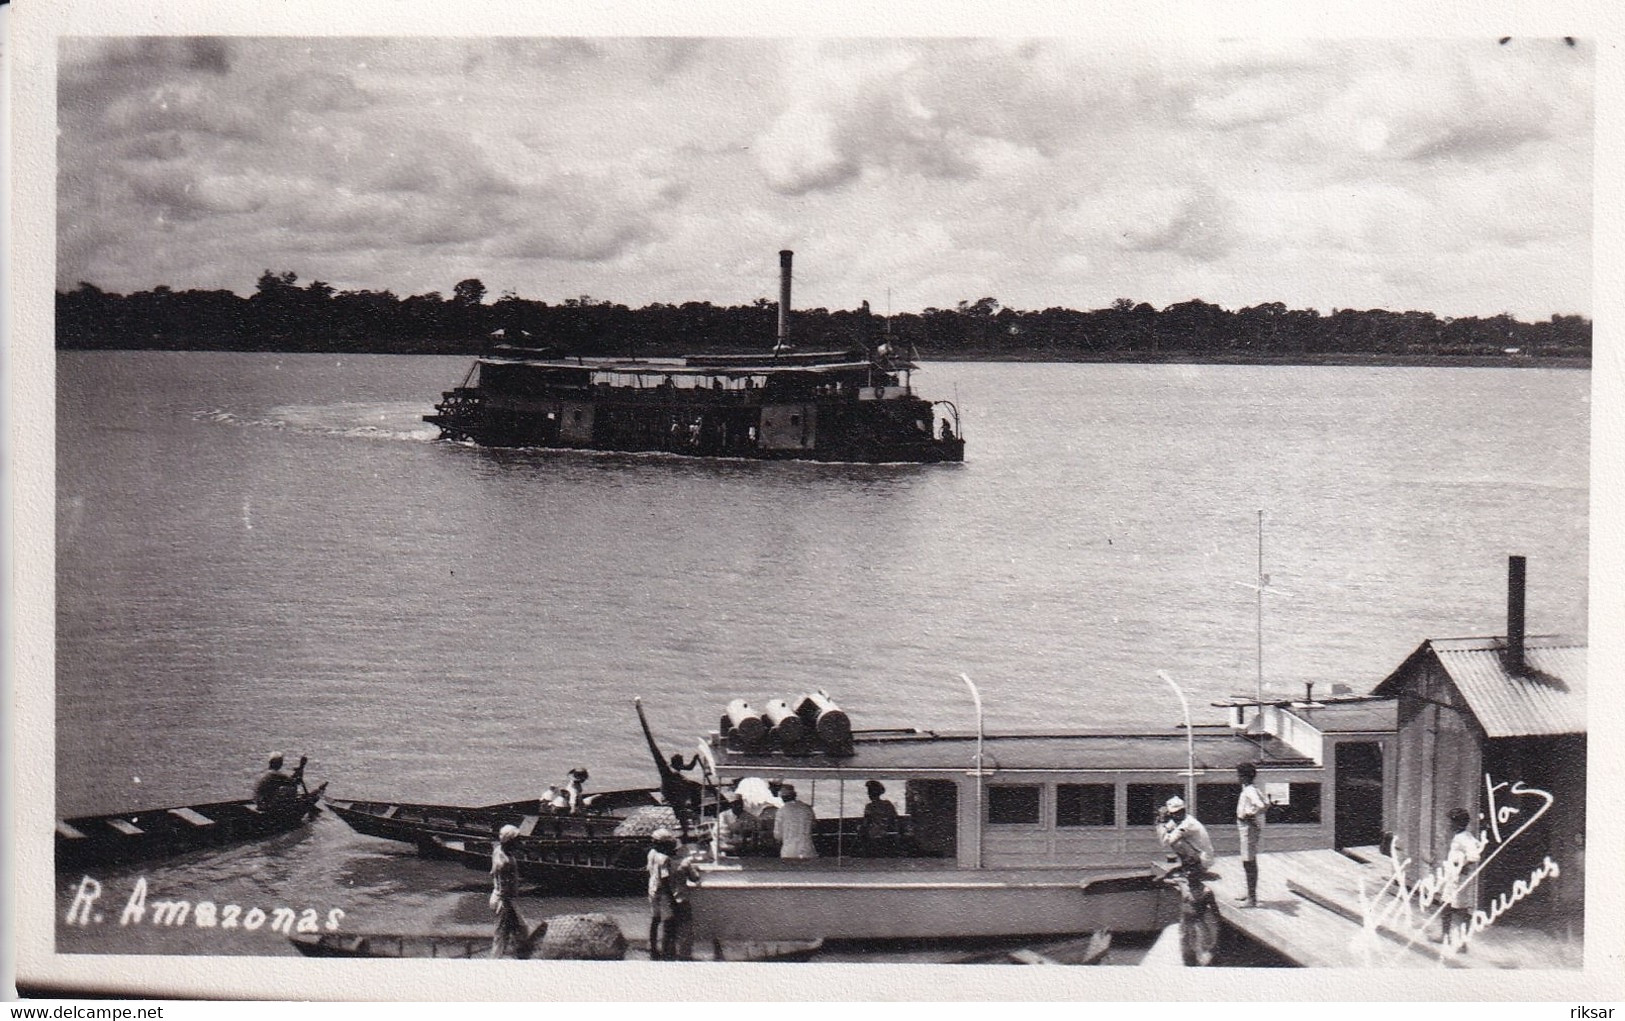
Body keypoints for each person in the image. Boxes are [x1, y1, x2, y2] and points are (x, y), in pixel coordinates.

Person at [645, 828, 699, 960]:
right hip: (665, 893)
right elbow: (665, 879)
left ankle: (653, 948)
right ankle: (672, 951)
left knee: (656, 920)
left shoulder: (652, 853)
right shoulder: (665, 859)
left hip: (653, 889)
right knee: (672, 923)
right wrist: (671, 900)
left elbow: (651, 871)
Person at [1439, 807, 1481, 949]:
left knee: (1462, 909)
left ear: (1458, 823)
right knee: (1445, 904)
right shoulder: (1462, 835)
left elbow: (1474, 855)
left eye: (1451, 822)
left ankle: (1463, 943)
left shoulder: (1464, 838)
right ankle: (1445, 936)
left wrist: (1463, 866)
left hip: (1460, 879)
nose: (1449, 824)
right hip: (1453, 876)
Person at [1156, 795, 1215, 897]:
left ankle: (1193, 869)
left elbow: (1165, 842)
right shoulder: (1180, 820)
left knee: (1177, 842)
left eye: (1176, 813)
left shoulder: (1188, 824)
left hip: (1203, 860)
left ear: (1182, 811)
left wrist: (1161, 823)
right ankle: (1188, 867)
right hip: (1198, 856)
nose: (1173, 816)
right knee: (1176, 840)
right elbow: (1165, 833)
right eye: (1172, 814)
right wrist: (1163, 824)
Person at [489, 824, 528, 958]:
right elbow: (505, 888)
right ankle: (495, 961)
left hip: (498, 897)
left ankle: (516, 956)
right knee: (502, 936)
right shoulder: (506, 862)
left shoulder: (498, 850)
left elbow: (494, 874)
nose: (519, 842)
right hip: (504, 901)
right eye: (517, 839)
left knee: (517, 931)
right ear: (510, 841)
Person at [1234, 763, 1268, 907]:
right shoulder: (1253, 789)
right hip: (1247, 826)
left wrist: (1250, 814)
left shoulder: (1249, 791)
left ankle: (1252, 898)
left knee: (1248, 861)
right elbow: (1267, 803)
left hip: (1247, 827)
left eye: (1239, 775)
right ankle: (1249, 893)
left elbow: (1261, 805)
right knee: (1247, 860)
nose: (1238, 778)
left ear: (1244, 776)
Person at [774, 784, 817, 859]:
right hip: (807, 849)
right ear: (795, 795)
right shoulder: (807, 809)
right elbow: (814, 826)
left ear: (782, 797)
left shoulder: (781, 811)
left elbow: (778, 835)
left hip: (789, 851)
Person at [861, 780, 900, 855]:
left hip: (877, 832)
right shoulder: (887, 804)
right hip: (887, 830)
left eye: (870, 792)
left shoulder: (870, 806)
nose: (868, 794)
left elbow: (866, 822)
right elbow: (894, 818)